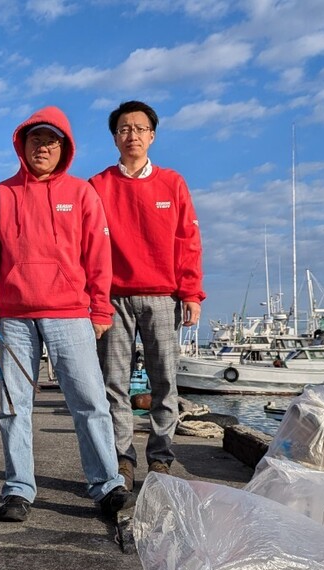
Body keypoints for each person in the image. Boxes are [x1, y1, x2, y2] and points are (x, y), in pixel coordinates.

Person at [0, 106, 135, 523]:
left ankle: (107, 484)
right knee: (12, 406)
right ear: (21, 145)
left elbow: (99, 256)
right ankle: (18, 489)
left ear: (66, 149)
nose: (42, 148)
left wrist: (101, 308)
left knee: (90, 401)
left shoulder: (82, 194)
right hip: (14, 318)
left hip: (71, 314)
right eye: (35, 140)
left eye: (51, 141)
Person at [91, 100, 205, 490]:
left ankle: (161, 458)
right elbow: (87, 246)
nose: (132, 135)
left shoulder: (172, 183)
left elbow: (188, 241)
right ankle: (122, 460)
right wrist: (93, 299)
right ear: (114, 137)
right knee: (114, 384)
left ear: (152, 136)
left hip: (163, 297)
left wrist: (191, 294)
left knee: (165, 381)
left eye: (140, 129)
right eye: (124, 129)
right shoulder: (97, 185)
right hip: (114, 298)